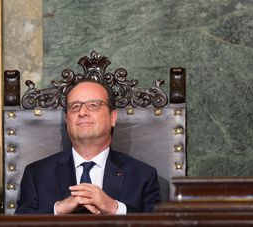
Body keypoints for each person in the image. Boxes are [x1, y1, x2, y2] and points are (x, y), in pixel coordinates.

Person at [15, 80, 161, 214]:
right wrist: (57, 210)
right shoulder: (37, 174)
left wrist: (114, 208)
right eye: (75, 107)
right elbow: (19, 223)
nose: (82, 112)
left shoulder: (143, 176)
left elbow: (157, 225)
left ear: (113, 117)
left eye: (93, 105)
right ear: (67, 120)